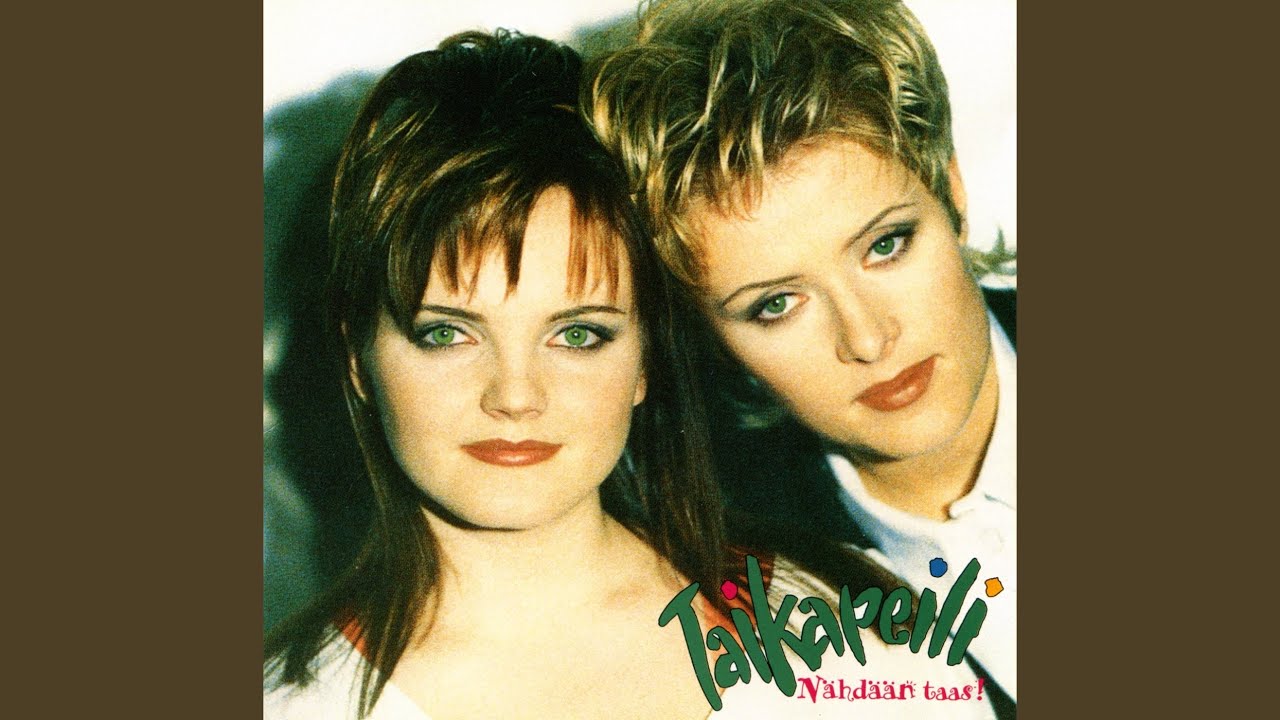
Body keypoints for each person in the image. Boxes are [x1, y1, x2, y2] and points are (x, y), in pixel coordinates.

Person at [264, 28, 996, 720]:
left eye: (577, 334)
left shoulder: (858, 627)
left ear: (646, 358)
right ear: (358, 360)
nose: (515, 395)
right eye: (448, 334)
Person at [586, 0, 1018, 711]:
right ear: (708, 335)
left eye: (886, 246)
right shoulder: (715, 572)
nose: (868, 340)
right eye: (777, 304)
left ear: (953, 192)